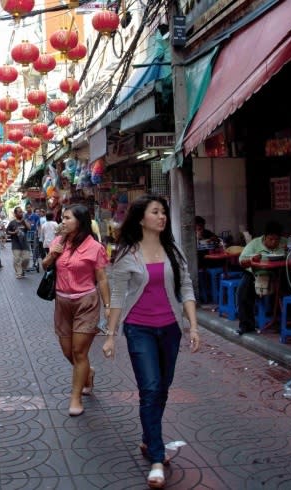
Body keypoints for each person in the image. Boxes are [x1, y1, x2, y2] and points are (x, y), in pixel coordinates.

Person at [102, 194, 200, 490]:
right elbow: (117, 296)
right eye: (156, 212)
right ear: (141, 218)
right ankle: (157, 458)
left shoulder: (173, 250)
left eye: (163, 212)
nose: (162, 217)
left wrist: (193, 327)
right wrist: (110, 335)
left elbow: (185, 287)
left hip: (170, 328)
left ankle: (148, 440)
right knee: (151, 388)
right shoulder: (126, 255)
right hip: (139, 329)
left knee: (163, 388)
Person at [41, 204, 109, 418]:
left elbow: (102, 279)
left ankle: (76, 397)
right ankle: (87, 372)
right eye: (63, 218)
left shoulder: (94, 247)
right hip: (62, 302)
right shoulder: (58, 241)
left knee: (80, 352)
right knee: (67, 351)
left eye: (68, 218)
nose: (63, 221)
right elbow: (45, 265)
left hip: (86, 302)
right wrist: (53, 254)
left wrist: (108, 307)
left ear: (80, 221)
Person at [235, 221, 288, 336]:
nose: (274, 242)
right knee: (243, 292)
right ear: (265, 237)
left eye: (276, 240)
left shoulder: (285, 242)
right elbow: (241, 261)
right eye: (270, 239)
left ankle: (288, 322)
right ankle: (246, 325)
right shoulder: (254, 244)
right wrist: (252, 260)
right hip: (256, 273)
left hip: (278, 273)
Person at [6, 206, 31, 279]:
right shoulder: (12, 223)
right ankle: (19, 273)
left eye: (22, 212)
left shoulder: (25, 221)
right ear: (15, 214)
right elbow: (7, 231)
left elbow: (29, 228)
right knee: (17, 259)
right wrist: (14, 232)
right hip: (16, 244)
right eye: (19, 212)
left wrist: (24, 222)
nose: (21, 213)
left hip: (25, 244)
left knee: (26, 259)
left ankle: (22, 269)